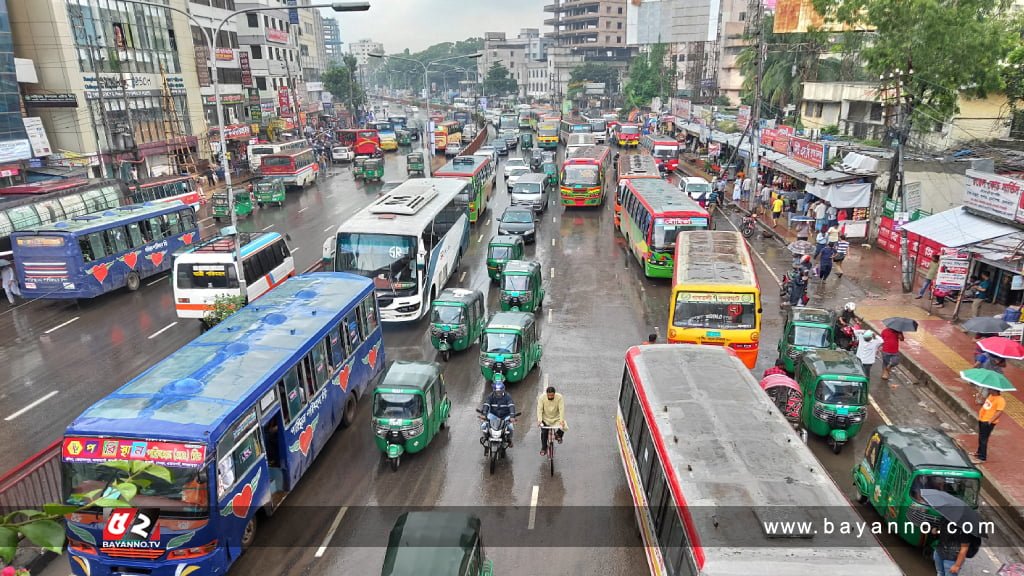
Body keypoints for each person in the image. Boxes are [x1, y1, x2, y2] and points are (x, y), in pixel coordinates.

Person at [481, 381, 516, 447]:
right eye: (497, 392)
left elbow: (511, 406)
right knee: (483, 425)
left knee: (510, 427)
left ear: (503, 390)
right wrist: (484, 414)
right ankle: (485, 437)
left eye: (500, 391)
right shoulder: (490, 396)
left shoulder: (508, 396)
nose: (499, 393)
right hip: (494, 415)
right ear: (494, 391)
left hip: (505, 416)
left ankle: (509, 440)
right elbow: (486, 404)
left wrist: (512, 416)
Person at [974, 389, 1004, 462]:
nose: (989, 390)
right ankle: (979, 452)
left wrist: (990, 421)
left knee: (984, 439)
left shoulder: (1000, 400)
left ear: (995, 391)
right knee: (981, 437)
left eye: (990, 389)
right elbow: (986, 405)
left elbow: (999, 412)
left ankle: (982, 457)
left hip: (987, 422)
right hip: (982, 419)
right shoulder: (990, 396)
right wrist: (978, 399)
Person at [536, 386, 566, 456]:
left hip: (556, 417)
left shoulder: (559, 397)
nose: (550, 397)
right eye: (549, 395)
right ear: (546, 394)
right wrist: (539, 420)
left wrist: (561, 420)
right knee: (544, 432)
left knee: (563, 426)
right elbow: (539, 409)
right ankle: (544, 448)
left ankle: (558, 435)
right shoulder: (542, 398)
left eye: (552, 395)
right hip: (545, 418)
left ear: (554, 394)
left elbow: (561, 409)